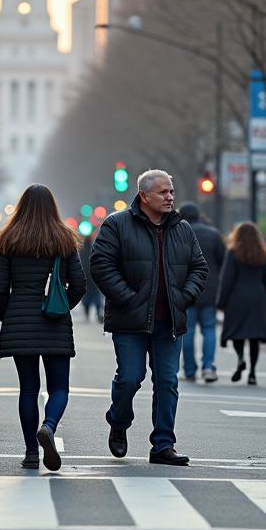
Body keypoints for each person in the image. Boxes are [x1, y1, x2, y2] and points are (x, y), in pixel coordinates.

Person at [87, 167, 208, 465]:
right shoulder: (117, 225)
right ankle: (118, 421)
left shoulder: (182, 228)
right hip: (130, 321)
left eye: (171, 191)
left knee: (167, 381)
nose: (170, 197)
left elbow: (199, 267)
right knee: (130, 378)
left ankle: (163, 445)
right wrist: (128, 298)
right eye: (163, 192)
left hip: (170, 323)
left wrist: (184, 297)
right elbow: (101, 265)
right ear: (143, 196)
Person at [0, 182, 87, 471]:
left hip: (20, 317)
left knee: (28, 390)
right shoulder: (65, 240)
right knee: (59, 388)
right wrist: (60, 305)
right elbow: (80, 284)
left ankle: (32, 453)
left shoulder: (9, 239)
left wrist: (6, 315)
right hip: (54, 322)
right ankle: (49, 425)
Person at [216, 218, 266, 383]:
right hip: (258, 298)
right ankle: (252, 372)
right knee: (254, 337)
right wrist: (262, 291)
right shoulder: (264, 254)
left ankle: (240, 358)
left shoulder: (233, 252)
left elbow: (227, 279)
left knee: (237, 333)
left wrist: (222, 302)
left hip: (237, 298)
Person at [177, 200, 224, 385]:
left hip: (186, 289)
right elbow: (223, 261)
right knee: (209, 329)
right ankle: (208, 366)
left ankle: (189, 369)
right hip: (210, 290)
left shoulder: (178, 232)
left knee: (187, 331)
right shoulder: (213, 234)